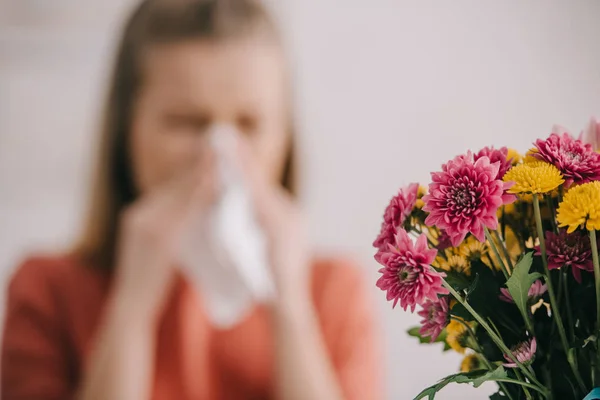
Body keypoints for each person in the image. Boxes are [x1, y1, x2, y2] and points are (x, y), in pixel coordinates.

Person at [1, 0, 381, 399]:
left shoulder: (334, 292)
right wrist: (131, 309)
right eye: (186, 122)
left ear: (285, 136)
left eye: (249, 124)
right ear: (127, 128)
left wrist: (290, 308)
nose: (219, 153)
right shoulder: (45, 291)